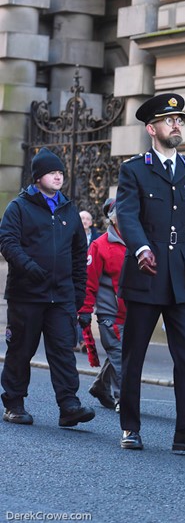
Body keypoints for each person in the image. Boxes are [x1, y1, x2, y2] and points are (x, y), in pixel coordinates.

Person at [116, 93, 185, 453]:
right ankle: (130, 426)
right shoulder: (135, 169)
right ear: (152, 128)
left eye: (180, 120)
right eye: (169, 120)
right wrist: (141, 247)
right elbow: (126, 215)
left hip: (183, 275)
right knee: (134, 356)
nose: (177, 125)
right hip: (147, 272)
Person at [0, 147, 95, 428]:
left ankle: (69, 406)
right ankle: (14, 404)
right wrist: (30, 268)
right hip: (26, 295)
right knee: (21, 349)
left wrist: (78, 292)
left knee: (63, 351)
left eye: (60, 173)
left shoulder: (68, 209)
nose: (58, 176)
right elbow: (7, 242)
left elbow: (80, 253)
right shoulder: (19, 206)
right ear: (38, 176)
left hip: (61, 296)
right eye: (52, 172)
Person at [78, 198, 126, 413]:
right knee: (120, 354)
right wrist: (85, 311)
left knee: (123, 353)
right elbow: (89, 282)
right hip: (110, 314)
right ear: (114, 218)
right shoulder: (99, 245)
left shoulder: (139, 242)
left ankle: (100, 386)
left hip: (133, 313)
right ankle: (123, 399)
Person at [76, 210, 101, 352]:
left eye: (87, 219)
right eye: (82, 218)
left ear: (91, 223)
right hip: (75, 277)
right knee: (76, 310)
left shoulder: (97, 239)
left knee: (85, 311)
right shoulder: (72, 235)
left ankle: (83, 341)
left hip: (91, 278)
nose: (84, 221)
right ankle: (80, 340)